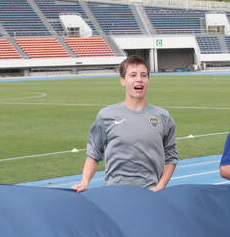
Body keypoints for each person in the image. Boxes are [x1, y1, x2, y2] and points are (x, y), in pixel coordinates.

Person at [76, 55, 178, 191]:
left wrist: (160, 186)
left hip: (150, 194)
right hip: (115, 193)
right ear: (123, 80)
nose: (139, 79)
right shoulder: (106, 115)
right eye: (133, 75)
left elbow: (171, 157)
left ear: (148, 79)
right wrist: (85, 182)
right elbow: (93, 154)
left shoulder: (163, 117)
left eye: (144, 75)